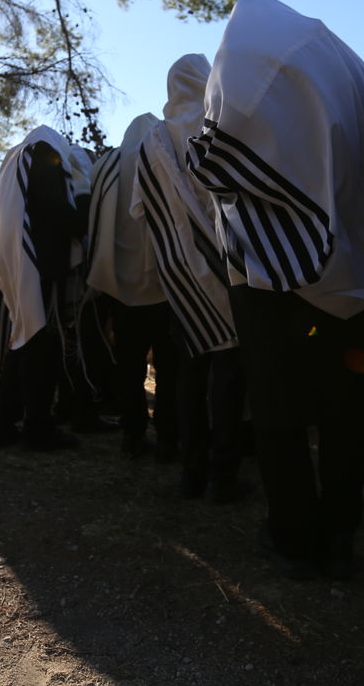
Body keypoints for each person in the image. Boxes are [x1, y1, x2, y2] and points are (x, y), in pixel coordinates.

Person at [188, 0, 364, 578]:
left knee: (278, 411)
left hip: (270, 276)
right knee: (346, 410)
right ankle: (340, 533)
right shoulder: (340, 66)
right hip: (355, 273)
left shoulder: (248, 62)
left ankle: (292, 535)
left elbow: (219, 160)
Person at [133, 53, 246, 499]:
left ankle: (191, 470)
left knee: (186, 373)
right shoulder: (215, 121)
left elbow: (139, 209)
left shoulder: (151, 141)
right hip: (227, 267)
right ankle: (223, 476)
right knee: (229, 376)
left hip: (177, 273)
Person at [0, 126, 91, 451]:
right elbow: (55, 210)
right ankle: (37, 428)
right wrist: (84, 210)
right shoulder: (45, 154)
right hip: (37, 264)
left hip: (18, 260)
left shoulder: (18, 157)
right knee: (39, 347)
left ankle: (2, 426)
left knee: (24, 340)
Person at [87, 113, 178, 457]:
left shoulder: (107, 167)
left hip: (121, 286)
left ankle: (133, 434)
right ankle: (169, 435)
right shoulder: (163, 157)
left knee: (130, 369)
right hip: (165, 286)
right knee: (169, 368)